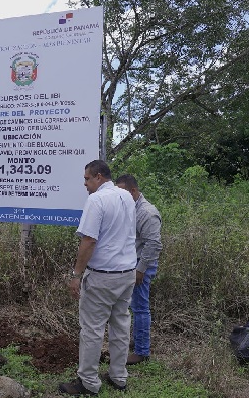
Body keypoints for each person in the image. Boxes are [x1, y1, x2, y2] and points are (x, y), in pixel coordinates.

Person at [59, 160, 137, 396]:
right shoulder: (126, 197)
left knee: (92, 330)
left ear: (99, 177)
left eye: (87, 179)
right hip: (127, 273)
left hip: (103, 276)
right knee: (121, 327)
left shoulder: (96, 200)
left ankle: (89, 382)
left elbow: (89, 241)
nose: (85, 184)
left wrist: (76, 275)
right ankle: (118, 376)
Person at [115, 174, 163, 365]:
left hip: (141, 264)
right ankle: (136, 341)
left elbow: (154, 244)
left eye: (122, 192)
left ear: (133, 191)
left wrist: (140, 270)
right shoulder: (129, 208)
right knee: (131, 305)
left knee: (140, 308)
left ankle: (142, 351)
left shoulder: (147, 213)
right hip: (130, 263)